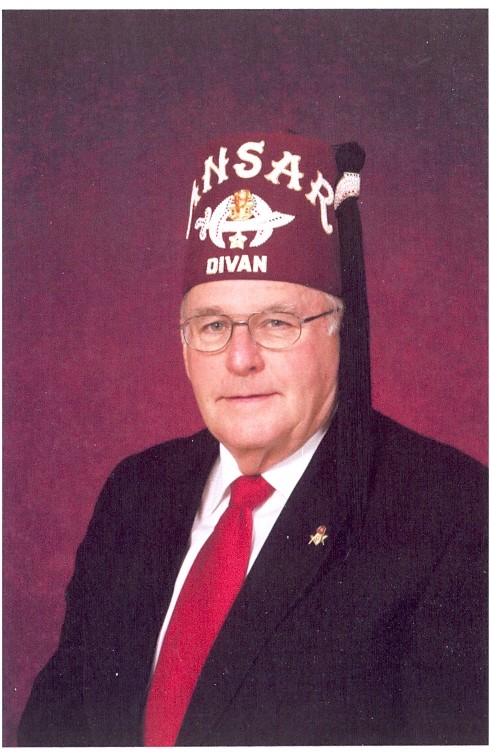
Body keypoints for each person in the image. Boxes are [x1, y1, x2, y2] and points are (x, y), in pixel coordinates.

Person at [18, 133, 487, 746]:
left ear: (341, 334)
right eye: (212, 325)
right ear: (183, 347)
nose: (241, 359)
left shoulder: (449, 513)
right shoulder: (135, 493)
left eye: (277, 323)